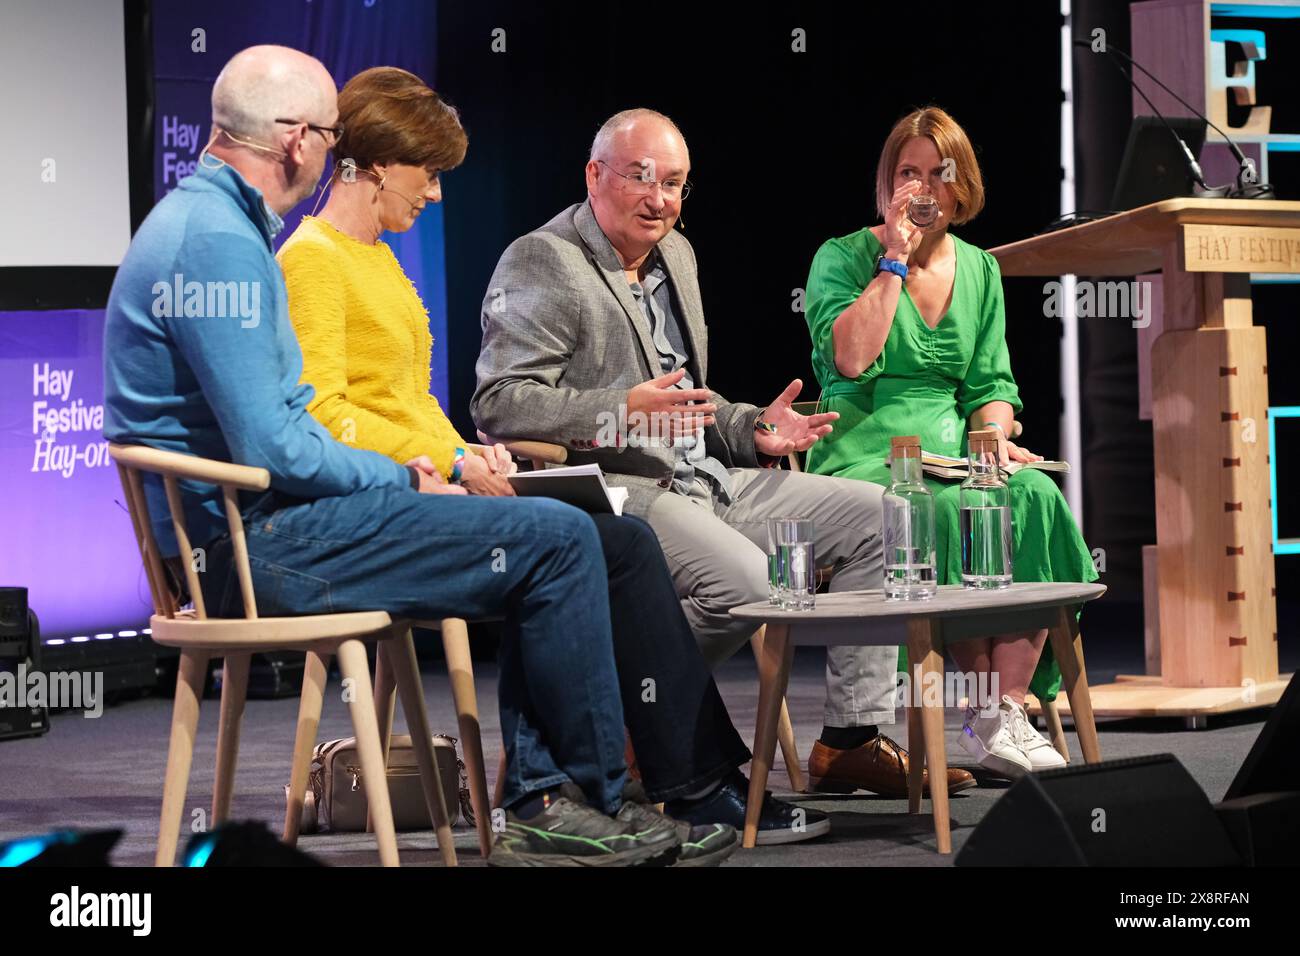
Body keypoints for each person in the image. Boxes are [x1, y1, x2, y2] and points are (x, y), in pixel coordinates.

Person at [102, 45, 685, 867]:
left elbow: (289, 427)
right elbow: (278, 445)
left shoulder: (211, 225)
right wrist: (411, 476)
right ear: (300, 139)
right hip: (248, 548)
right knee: (553, 539)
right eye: (330, 135)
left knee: (561, 529)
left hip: (257, 529)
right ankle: (556, 803)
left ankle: (578, 796)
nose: (335, 152)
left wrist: (428, 470)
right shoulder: (219, 245)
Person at [277, 66, 822, 848]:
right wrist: (456, 465)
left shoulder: (378, 260)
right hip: (382, 502)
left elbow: (411, 405)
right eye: (427, 174)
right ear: (375, 162)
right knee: (566, 540)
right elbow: (325, 415)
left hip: (435, 480)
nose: (434, 195)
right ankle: (566, 794)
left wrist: (467, 452)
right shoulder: (315, 261)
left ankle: (684, 781)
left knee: (622, 544)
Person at [471, 107, 975, 799]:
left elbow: (691, 401)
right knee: (745, 580)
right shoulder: (544, 258)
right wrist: (620, 410)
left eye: (675, 183)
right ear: (594, 174)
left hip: (708, 479)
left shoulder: (676, 254)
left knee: (885, 516)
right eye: (642, 178)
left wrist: (750, 429)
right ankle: (624, 721)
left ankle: (853, 737)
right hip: (623, 488)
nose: (660, 199)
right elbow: (499, 402)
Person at [803, 106, 1097, 777]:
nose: (923, 187)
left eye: (940, 174)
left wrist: (993, 435)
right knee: (928, 508)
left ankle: (1006, 712)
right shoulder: (842, 257)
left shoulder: (981, 271)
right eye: (908, 173)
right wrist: (894, 261)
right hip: (864, 450)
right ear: (887, 185)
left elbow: (992, 384)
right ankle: (982, 711)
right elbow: (849, 359)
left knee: (1030, 495)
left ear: (961, 189)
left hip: (954, 453)